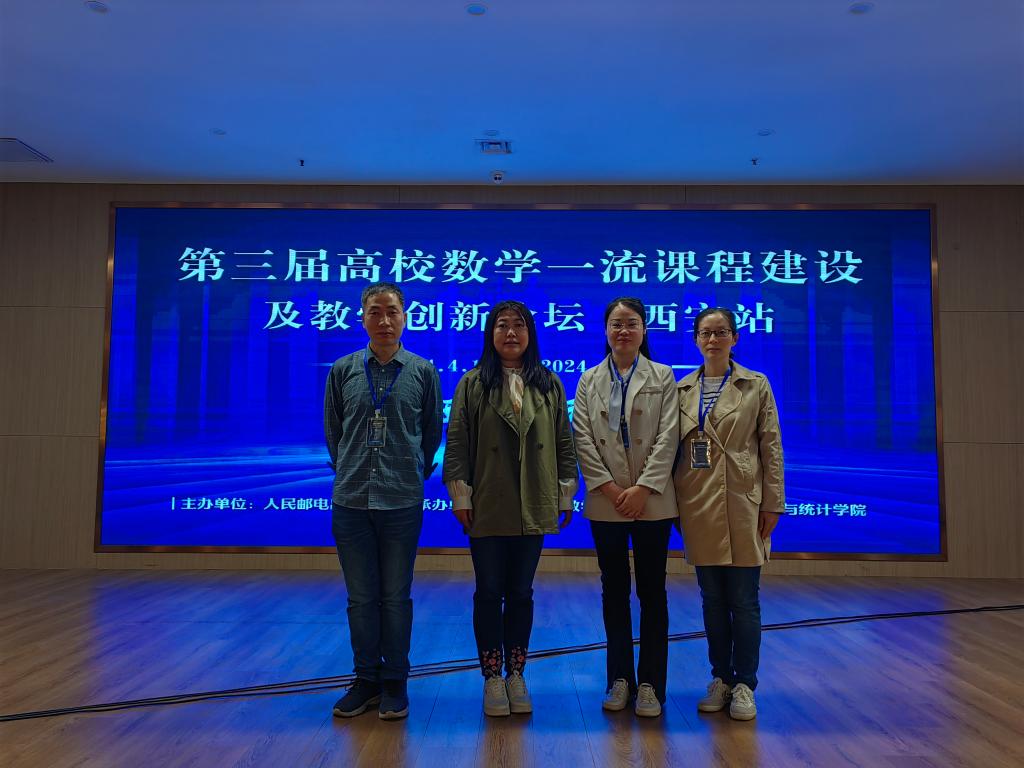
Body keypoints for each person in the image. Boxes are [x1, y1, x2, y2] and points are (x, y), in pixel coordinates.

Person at [443, 300, 578, 717]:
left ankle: (516, 673)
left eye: (519, 325)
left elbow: (564, 442)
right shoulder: (472, 383)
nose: (511, 333)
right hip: (488, 502)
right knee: (488, 592)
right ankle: (491, 677)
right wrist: (460, 496)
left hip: (534, 501)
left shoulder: (549, 383)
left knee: (521, 593)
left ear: (530, 333)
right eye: (502, 325)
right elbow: (458, 443)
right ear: (491, 334)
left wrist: (564, 494)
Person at [324, 281, 443, 721]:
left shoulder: (423, 371)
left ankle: (395, 680)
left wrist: (410, 471)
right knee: (360, 598)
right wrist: (352, 468)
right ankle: (365, 679)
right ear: (363, 318)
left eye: (392, 311)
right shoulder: (343, 370)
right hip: (351, 501)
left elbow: (431, 434)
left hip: (401, 501)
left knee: (395, 596)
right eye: (375, 311)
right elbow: (334, 433)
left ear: (405, 317)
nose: (385, 320)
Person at [673, 307, 785, 722]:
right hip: (699, 503)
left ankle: (745, 685)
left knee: (744, 599)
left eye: (721, 332)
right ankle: (720, 677)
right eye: (706, 333)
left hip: (743, 502)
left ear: (735, 338)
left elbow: (771, 446)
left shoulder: (755, 384)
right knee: (712, 600)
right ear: (696, 340)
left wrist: (773, 501)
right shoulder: (681, 389)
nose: (713, 340)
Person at [572, 297, 680, 718]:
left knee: (652, 592)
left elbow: (669, 437)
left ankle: (650, 683)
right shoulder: (588, 379)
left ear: (644, 330)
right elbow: (582, 438)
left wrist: (642, 488)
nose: (623, 331)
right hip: (606, 501)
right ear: (605, 330)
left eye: (631, 323)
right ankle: (619, 678)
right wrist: (610, 487)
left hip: (652, 500)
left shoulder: (663, 375)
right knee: (614, 590)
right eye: (616, 324)